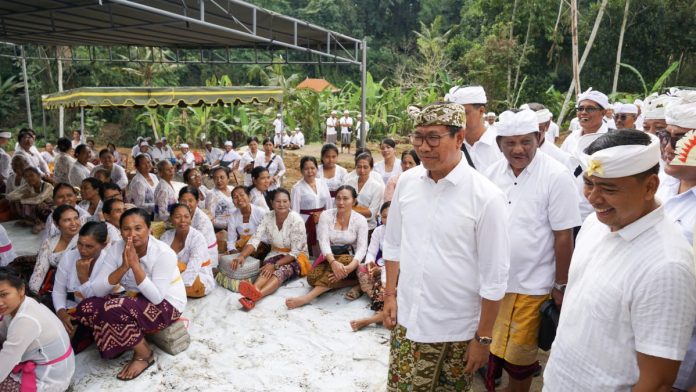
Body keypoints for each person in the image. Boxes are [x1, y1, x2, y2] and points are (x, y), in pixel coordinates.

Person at [543, 130, 696, 391]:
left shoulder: (667, 266)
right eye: (589, 183)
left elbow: (656, 382)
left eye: (608, 189)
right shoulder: (594, 223)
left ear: (650, 186)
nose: (592, 198)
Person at [382, 102, 510, 391]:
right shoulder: (407, 183)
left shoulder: (487, 198)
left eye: (433, 138)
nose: (423, 147)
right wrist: (390, 294)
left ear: (459, 137)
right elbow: (393, 243)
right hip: (408, 318)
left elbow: (495, 278)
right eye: (418, 137)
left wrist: (483, 338)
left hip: (454, 329)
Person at [483, 109, 581, 392]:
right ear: (499, 143)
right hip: (494, 283)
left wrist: (560, 284)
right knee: (491, 348)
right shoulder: (491, 174)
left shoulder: (557, 176)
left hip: (532, 286)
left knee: (519, 360)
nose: (518, 149)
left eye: (526, 141)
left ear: (539, 138)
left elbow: (564, 237)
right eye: (510, 142)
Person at [72, 208, 186, 380]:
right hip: (134, 298)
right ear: (120, 231)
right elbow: (99, 290)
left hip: (167, 303)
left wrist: (135, 265)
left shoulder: (164, 253)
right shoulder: (117, 248)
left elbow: (156, 297)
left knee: (113, 308)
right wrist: (123, 267)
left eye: (138, 228)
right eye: (126, 229)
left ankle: (144, 355)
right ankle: (122, 342)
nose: (132, 234)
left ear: (150, 230)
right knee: (86, 306)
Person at [287, 185, 368, 309]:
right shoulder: (326, 215)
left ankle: (307, 298)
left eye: (345, 199)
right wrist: (333, 262)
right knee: (312, 279)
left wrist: (351, 267)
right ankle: (354, 281)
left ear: (354, 201)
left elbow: (362, 248)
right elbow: (323, 242)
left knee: (343, 262)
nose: (341, 202)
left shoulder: (360, 220)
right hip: (330, 257)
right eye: (338, 198)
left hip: (351, 259)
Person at [229, 189, 309, 310]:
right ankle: (254, 291)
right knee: (266, 270)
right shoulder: (267, 217)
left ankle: (256, 296)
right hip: (275, 252)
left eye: (285, 201)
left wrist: (275, 265)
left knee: (280, 271)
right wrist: (242, 256)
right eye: (278, 201)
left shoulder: (296, 220)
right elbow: (255, 239)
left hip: (297, 257)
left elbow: (295, 252)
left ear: (290, 203)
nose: (281, 204)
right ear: (271, 203)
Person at [0, 266, 75, 392]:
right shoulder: (23, 303)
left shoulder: (26, 320)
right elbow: (2, 334)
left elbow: (4, 364)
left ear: (21, 290)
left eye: (4, 294)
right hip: (55, 370)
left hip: (49, 380)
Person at [52, 221, 111, 353]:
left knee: (65, 337)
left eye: (89, 246)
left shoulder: (109, 263)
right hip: (70, 306)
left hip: (95, 311)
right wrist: (61, 313)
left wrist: (83, 278)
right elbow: (58, 291)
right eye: (80, 244)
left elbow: (96, 301)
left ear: (104, 245)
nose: (82, 250)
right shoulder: (69, 257)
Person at [561, 88, 611, 222]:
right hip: (567, 210)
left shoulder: (612, 140)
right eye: (580, 108)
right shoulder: (571, 138)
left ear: (603, 112)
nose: (583, 112)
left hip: (595, 212)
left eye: (590, 109)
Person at [160, 204, 215, 298]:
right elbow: (160, 262)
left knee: (175, 266)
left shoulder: (198, 238)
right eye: (177, 217)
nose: (183, 220)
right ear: (171, 219)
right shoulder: (166, 237)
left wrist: (174, 286)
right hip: (173, 277)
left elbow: (193, 268)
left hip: (198, 279)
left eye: (186, 217)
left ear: (190, 219)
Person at [351, 201, 390, 331]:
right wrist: (370, 264)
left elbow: (404, 259)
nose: (387, 220)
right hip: (380, 265)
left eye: (391, 216)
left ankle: (378, 312)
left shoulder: (405, 232)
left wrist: (383, 269)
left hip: (396, 270)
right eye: (384, 217)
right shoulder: (379, 231)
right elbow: (371, 252)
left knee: (384, 282)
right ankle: (381, 302)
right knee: (361, 268)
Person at [445, 85, 502, 170]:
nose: (458, 120)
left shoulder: (499, 146)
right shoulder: (451, 145)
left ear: (481, 111)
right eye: (454, 115)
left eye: (464, 113)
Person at [27, 205, 81, 296]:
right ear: (56, 224)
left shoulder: (86, 239)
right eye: (67, 220)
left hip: (80, 287)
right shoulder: (50, 242)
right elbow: (39, 271)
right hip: (57, 287)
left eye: (76, 218)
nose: (73, 223)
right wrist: (32, 296)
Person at [291, 156, 333, 256]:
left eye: (312, 168)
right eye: (306, 169)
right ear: (301, 170)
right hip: (306, 222)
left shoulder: (322, 183)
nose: (310, 171)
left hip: (322, 219)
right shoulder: (297, 188)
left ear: (317, 169)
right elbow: (294, 211)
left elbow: (329, 204)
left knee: (324, 246)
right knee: (310, 249)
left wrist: (330, 219)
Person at [343, 153, 385, 233]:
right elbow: (341, 204)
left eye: (365, 167)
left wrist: (348, 209)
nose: (362, 170)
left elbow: (371, 213)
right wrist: (362, 209)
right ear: (355, 167)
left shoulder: (377, 187)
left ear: (371, 168)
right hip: (348, 226)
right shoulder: (348, 183)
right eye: (359, 167)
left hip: (368, 228)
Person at [178, 187, 218, 268]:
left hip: (204, 255)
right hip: (189, 250)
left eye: (190, 201)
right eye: (183, 201)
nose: (187, 204)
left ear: (197, 202)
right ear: (178, 201)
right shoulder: (181, 213)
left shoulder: (202, 221)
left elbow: (197, 247)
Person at [6, 167, 54, 234]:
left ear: (39, 176)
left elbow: (38, 200)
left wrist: (23, 199)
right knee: (14, 202)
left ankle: (41, 223)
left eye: (31, 175)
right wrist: (23, 196)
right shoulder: (27, 186)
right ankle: (30, 221)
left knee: (39, 204)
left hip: (50, 210)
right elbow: (9, 196)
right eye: (26, 177)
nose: (29, 178)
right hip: (35, 207)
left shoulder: (47, 186)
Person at [530, 104, 574, 171]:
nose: (529, 135)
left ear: (547, 125)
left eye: (537, 129)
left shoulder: (561, 158)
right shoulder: (511, 155)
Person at [225, 186, 267, 254]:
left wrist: (249, 247)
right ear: (233, 202)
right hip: (242, 246)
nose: (239, 198)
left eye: (242, 195)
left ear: (249, 196)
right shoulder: (232, 216)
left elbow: (266, 236)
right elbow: (231, 240)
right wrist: (234, 252)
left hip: (260, 245)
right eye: (235, 197)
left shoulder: (260, 212)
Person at [205, 166, 234, 232]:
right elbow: (210, 218)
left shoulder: (232, 189)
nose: (219, 180)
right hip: (222, 230)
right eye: (215, 178)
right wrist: (228, 225)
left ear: (228, 178)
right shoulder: (211, 194)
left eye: (222, 177)